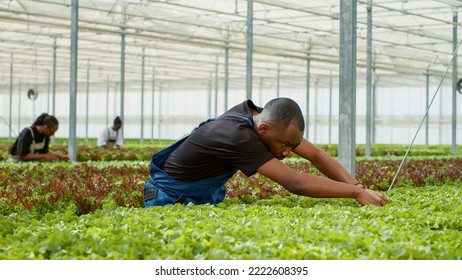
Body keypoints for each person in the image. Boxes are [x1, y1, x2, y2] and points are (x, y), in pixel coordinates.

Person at [143, 98, 388, 207]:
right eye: (285, 145)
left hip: (197, 195)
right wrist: (355, 193)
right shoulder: (237, 135)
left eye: (292, 145)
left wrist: (360, 186)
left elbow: (316, 155)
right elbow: (295, 182)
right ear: (262, 129)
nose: (289, 152)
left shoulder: (265, 122)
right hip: (169, 198)